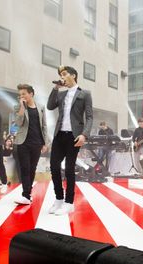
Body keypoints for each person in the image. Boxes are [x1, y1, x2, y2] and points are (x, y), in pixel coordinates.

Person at [47, 65, 93, 215]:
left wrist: (84, 135)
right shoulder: (61, 94)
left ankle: (69, 202)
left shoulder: (85, 94)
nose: (62, 77)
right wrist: (55, 87)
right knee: (54, 166)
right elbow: (49, 106)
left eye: (64, 74)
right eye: (60, 74)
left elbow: (90, 117)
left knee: (69, 168)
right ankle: (59, 198)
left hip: (74, 136)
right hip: (59, 134)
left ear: (73, 75)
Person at [13, 84, 49, 205]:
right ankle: (26, 195)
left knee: (32, 169)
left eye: (23, 94)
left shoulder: (41, 107)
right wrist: (22, 107)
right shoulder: (18, 107)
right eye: (20, 94)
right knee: (25, 168)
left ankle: (27, 194)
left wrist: (45, 143)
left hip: (37, 143)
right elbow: (18, 122)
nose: (21, 96)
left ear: (31, 94)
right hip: (23, 142)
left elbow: (44, 126)